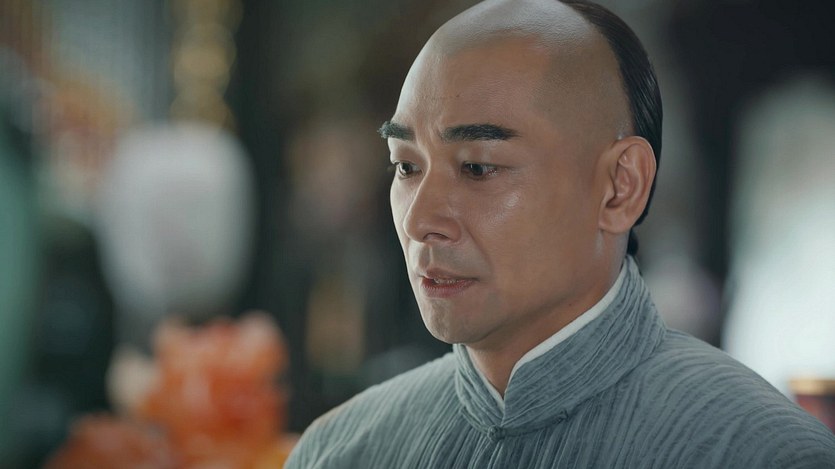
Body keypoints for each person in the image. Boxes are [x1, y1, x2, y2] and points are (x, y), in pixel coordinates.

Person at [285, 0, 835, 467]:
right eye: (406, 166)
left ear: (620, 187)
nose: (418, 220)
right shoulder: (341, 451)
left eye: (478, 167)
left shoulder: (763, 453)